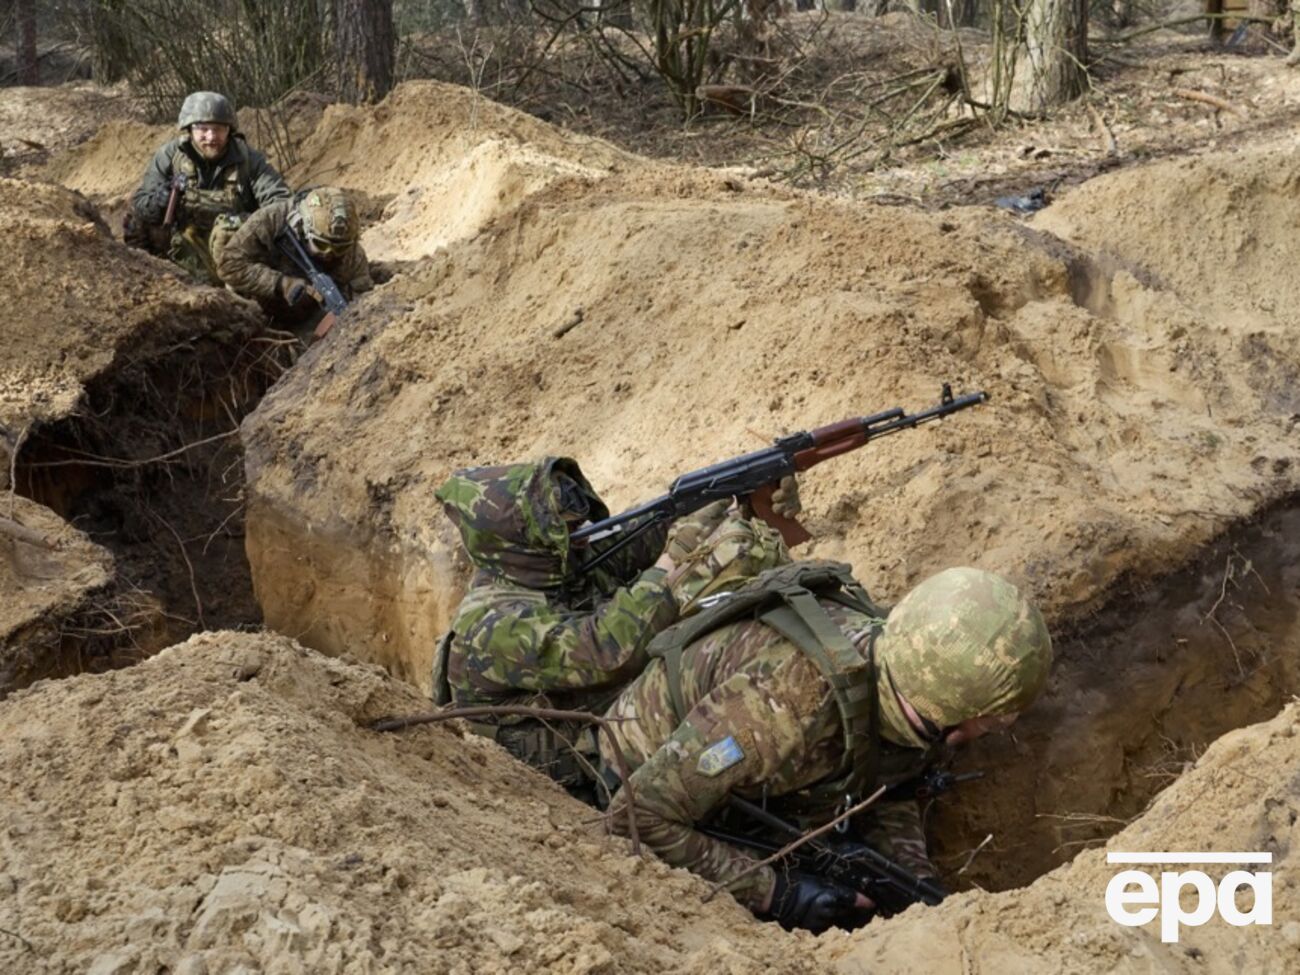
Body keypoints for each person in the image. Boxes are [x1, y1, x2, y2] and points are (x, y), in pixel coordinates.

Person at [597, 561, 1053, 933]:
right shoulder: (780, 711)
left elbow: (890, 783)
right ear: (952, 707)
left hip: (752, 773)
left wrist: (911, 878)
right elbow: (637, 816)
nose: (996, 729)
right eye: (992, 720)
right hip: (644, 767)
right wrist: (778, 894)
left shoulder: (912, 672)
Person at [431, 457, 797, 796]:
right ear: (526, 542)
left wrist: (745, 497)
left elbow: (648, 531)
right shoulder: (491, 625)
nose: (584, 533)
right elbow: (610, 650)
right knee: (704, 663)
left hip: (603, 723)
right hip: (572, 775)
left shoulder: (557, 563)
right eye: (568, 528)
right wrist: (669, 565)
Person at [124, 91, 290, 284]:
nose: (211, 137)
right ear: (189, 129)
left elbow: (281, 203)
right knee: (135, 218)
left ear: (229, 130)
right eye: (203, 129)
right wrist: (158, 201)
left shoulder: (248, 160)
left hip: (235, 250)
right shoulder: (170, 156)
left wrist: (244, 223)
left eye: (218, 129)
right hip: (183, 245)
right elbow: (142, 201)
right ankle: (150, 279)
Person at [216, 186, 373, 325]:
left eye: (340, 248)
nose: (329, 253)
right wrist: (281, 283)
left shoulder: (353, 251)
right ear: (304, 228)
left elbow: (362, 293)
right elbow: (227, 265)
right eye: (321, 245)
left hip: (310, 314)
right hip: (262, 306)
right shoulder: (271, 220)